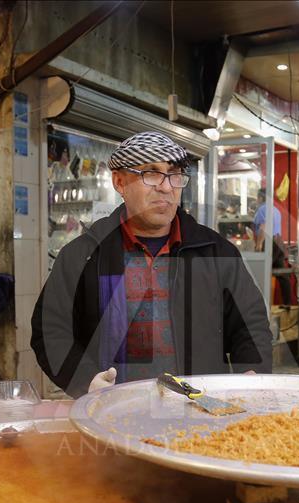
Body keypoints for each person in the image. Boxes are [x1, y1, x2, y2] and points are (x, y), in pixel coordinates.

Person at [30, 131, 272, 397]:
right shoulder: (84, 255)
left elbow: (251, 327)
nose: (167, 187)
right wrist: (85, 381)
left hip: (199, 412)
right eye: (152, 173)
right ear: (119, 182)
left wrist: (251, 375)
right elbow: (50, 328)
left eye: (175, 174)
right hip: (113, 415)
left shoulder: (215, 253)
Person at [253, 188, 292, 305]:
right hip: (278, 241)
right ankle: (287, 304)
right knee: (282, 274)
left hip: (269, 242)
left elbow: (263, 227)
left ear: (260, 197)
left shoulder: (262, 209)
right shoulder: (276, 210)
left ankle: (259, 305)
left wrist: (259, 244)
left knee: (260, 273)